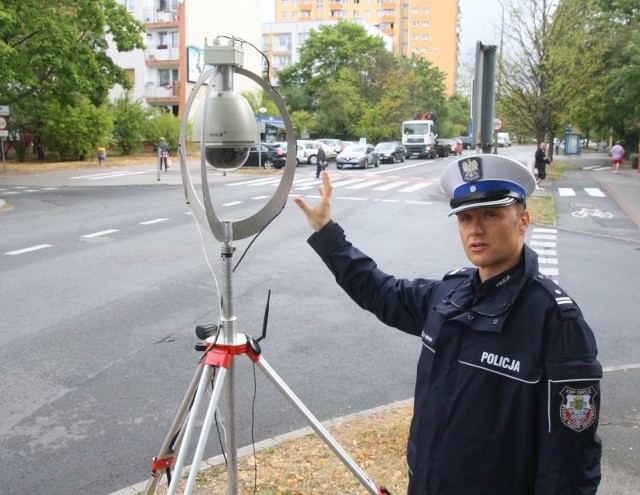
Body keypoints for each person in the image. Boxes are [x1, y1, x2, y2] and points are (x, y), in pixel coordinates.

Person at [294, 155, 602, 495]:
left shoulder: (555, 320)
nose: (475, 229)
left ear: (523, 220)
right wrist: (327, 234)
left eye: (491, 214)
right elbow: (379, 291)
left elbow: (571, 462)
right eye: (465, 218)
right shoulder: (449, 293)